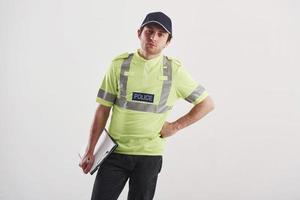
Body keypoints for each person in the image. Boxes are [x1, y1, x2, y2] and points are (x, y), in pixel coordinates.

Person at [79, 11, 214, 200]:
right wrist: (90, 149)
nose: (153, 37)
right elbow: (103, 109)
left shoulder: (175, 70)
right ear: (139, 33)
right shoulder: (119, 65)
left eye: (161, 34)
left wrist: (175, 126)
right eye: (149, 31)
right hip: (114, 153)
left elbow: (207, 104)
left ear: (168, 41)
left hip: (149, 156)